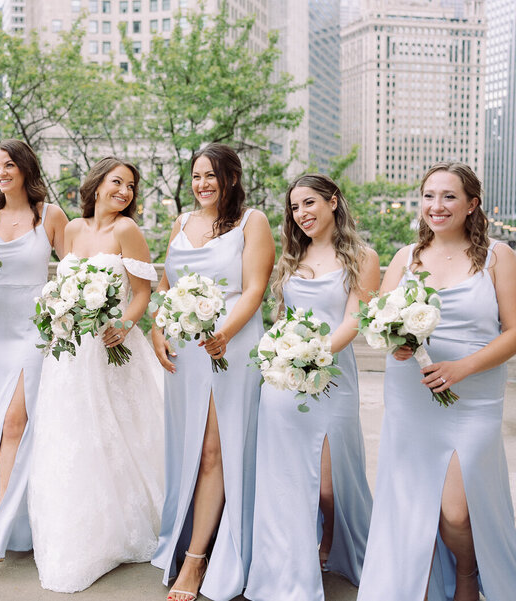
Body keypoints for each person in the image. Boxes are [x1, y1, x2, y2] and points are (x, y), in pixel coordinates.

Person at [357, 162, 516, 601]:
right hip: (413, 395)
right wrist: (398, 345)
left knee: (457, 512)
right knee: (413, 503)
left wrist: (462, 367)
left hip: (475, 397)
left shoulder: (498, 256)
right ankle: (418, 582)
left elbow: (514, 332)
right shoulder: (406, 257)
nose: (437, 205)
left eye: (449, 196)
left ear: (471, 205)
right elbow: (377, 322)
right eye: (429, 195)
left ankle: (468, 573)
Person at [27, 157, 164, 593]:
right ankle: (79, 529)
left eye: (130, 186)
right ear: (97, 184)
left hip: (111, 346)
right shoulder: (72, 230)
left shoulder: (127, 231)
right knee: (72, 436)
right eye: (116, 183)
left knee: (115, 435)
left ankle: (127, 525)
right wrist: (58, 313)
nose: (124, 192)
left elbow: (144, 291)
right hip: (68, 351)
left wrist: (123, 326)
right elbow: (66, 286)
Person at [244, 174, 377, 600]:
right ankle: (293, 559)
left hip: (332, 378)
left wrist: (313, 354)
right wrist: (283, 359)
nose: (302, 214)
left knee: (328, 483)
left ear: (333, 202)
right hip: (285, 382)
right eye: (295, 208)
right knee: (287, 477)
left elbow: (353, 322)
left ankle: (337, 541)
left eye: (309, 203)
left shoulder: (363, 257)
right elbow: (282, 318)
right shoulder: (290, 258)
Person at [151, 143, 275, 601]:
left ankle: (199, 559)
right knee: (188, 448)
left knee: (213, 451)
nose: (203, 184)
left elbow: (255, 287)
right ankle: (187, 536)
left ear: (232, 179)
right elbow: (167, 284)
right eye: (196, 175)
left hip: (232, 346)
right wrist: (157, 327)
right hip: (184, 350)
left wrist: (223, 334)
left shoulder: (252, 222)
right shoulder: (181, 222)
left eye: (212, 175)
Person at [0, 140, 67, 561]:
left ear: (25, 168)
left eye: (8, 165)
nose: (1, 172)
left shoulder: (50, 216)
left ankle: (2, 526)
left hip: (34, 329)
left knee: (16, 422)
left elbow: (75, 273)